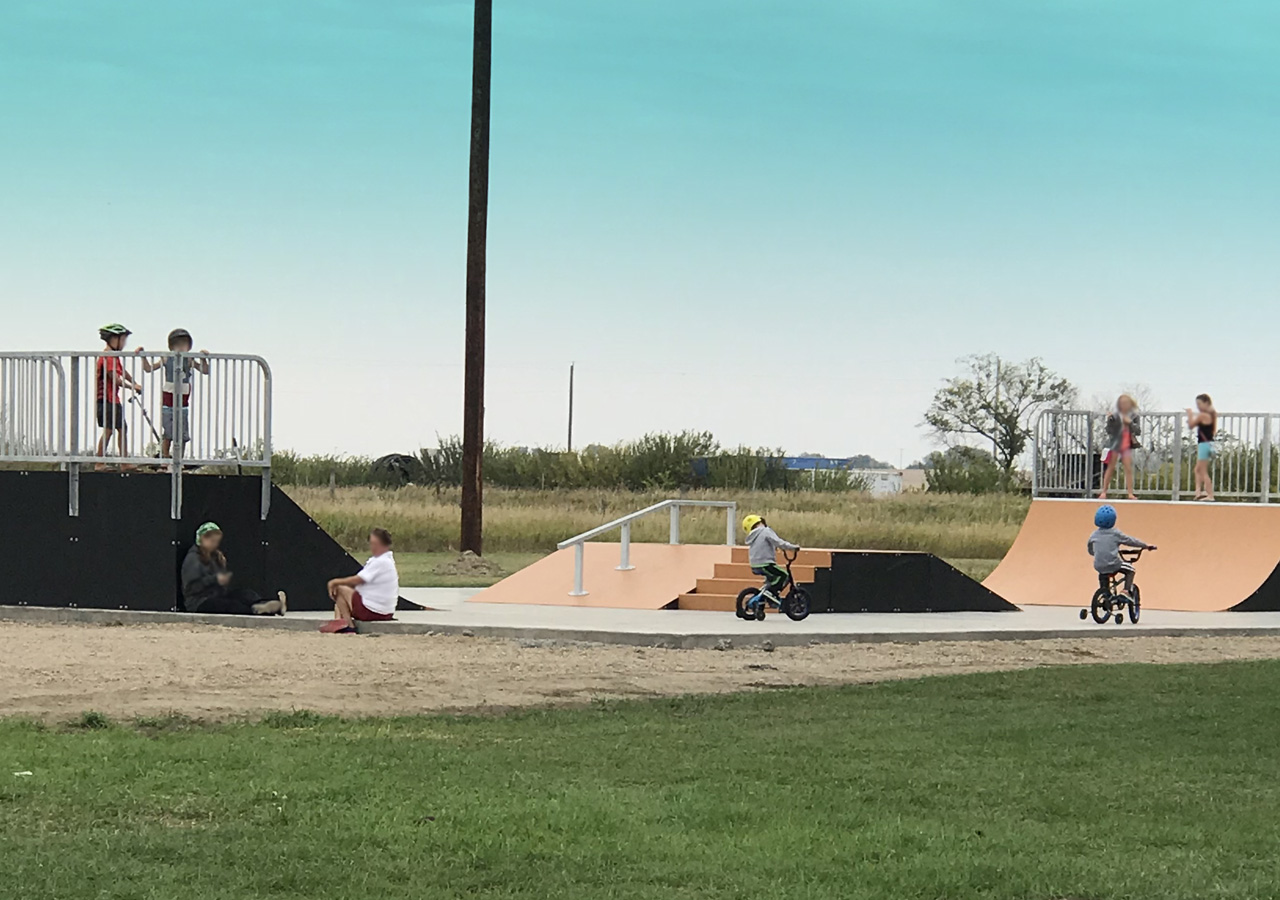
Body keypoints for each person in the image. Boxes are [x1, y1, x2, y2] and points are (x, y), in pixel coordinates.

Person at [181, 522, 285, 616]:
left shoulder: (215, 556)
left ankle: (269, 605)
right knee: (231, 605)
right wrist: (215, 579)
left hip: (216, 595)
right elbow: (191, 588)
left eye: (217, 541)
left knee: (245, 594)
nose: (215, 544)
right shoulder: (193, 559)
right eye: (212, 541)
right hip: (199, 602)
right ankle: (258, 611)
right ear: (202, 539)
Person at [140, 328, 210, 459]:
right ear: (171, 346)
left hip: (183, 401)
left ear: (189, 347)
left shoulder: (189, 360)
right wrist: (143, 356)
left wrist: (204, 359)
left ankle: (179, 460)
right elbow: (148, 369)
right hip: (168, 400)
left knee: (183, 434)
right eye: (177, 345)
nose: (180, 348)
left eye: (184, 344)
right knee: (168, 432)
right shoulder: (166, 358)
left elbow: (205, 370)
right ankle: (165, 458)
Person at [321, 528, 399, 633]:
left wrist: (335, 582)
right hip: (386, 611)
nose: (371, 547)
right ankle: (339, 623)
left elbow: (358, 580)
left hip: (373, 611)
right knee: (340, 602)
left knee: (339, 589)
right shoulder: (387, 561)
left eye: (373, 543)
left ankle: (348, 625)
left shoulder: (380, 562)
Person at [94, 324, 143, 470]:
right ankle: (100, 462)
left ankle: (123, 461)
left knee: (121, 428)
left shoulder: (113, 357)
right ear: (113, 339)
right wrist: (134, 387)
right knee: (110, 429)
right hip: (106, 400)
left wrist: (134, 382)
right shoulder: (108, 357)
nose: (124, 344)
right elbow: (115, 378)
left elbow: (123, 372)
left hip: (112, 399)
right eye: (122, 340)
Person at [1087, 505, 1155, 597]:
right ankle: (1126, 591)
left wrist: (1096, 553)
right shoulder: (1115, 534)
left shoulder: (1093, 535)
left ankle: (1104, 594)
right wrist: (1145, 545)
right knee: (1131, 570)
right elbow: (1130, 541)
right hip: (1114, 564)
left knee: (1103, 574)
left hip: (1099, 565)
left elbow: (1090, 550)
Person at [742, 514, 798, 607]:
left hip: (755, 565)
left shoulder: (753, 536)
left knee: (771, 580)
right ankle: (772, 594)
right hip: (766, 563)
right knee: (784, 575)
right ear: (761, 522)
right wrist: (792, 547)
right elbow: (778, 542)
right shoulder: (765, 531)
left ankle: (763, 598)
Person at [1099, 394, 1141, 500]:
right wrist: (1110, 420)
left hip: (1126, 444)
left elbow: (1138, 431)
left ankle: (1130, 493)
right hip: (1115, 444)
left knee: (1128, 468)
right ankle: (1104, 492)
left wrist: (1130, 423)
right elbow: (1108, 430)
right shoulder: (1115, 415)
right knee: (1110, 467)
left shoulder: (1134, 416)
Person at [1186, 393, 1218, 502]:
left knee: (1203, 470)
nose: (1198, 407)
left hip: (1204, 444)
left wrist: (1189, 414)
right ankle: (1198, 492)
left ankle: (1210, 494)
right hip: (1208, 443)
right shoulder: (1213, 414)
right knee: (1198, 469)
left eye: (1199, 404)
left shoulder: (1203, 415)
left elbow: (1191, 425)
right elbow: (1213, 430)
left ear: (1206, 403)